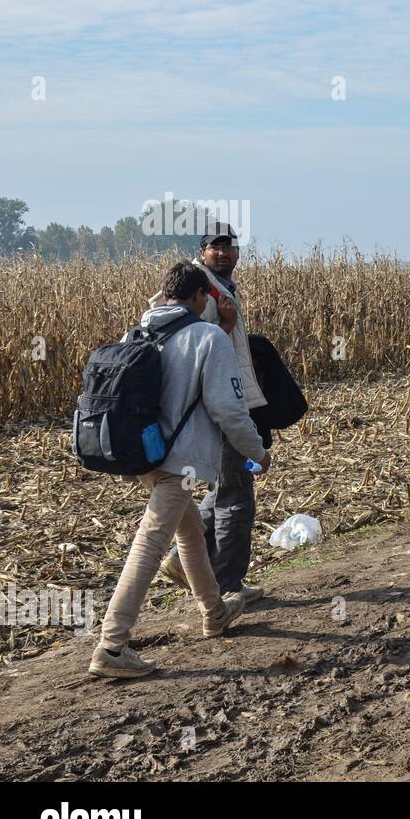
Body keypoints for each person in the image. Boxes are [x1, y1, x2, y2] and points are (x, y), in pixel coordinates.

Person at [89, 262, 270, 679]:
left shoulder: (136, 333)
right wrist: (257, 453)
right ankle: (112, 646)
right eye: (208, 297)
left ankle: (214, 611)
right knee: (151, 541)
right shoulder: (208, 337)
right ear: (200, 297)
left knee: (189, 529)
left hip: (142, 456)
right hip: (181, 461)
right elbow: (230, 410)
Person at [159, 223, 269, 604]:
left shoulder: (216, 288)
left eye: (229, 247)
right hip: (216, 408)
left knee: (225, 489)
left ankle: (179, 560)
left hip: (217, 405)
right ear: (202, 251)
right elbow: (196, 348)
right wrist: (223, 325)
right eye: (214, 247)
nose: (223, 253)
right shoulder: (201, 291)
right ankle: (228, 585)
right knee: (236, 500)